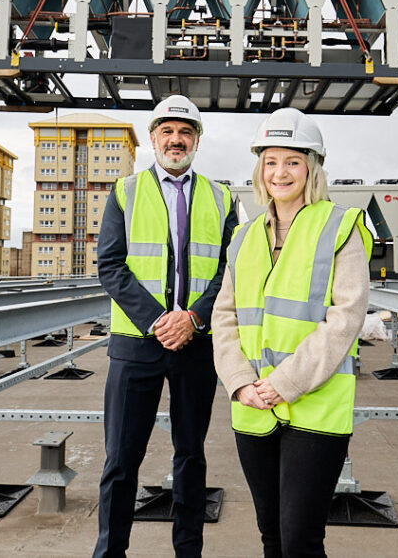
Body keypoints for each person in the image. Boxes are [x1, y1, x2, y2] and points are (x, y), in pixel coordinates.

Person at [212, 107, 372, 558]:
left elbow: (346, 318)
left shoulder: (340, 227)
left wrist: (284, 384)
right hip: (253, 408)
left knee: (301, 539)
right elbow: (225, 317)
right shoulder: (242, 237)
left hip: (314, 408)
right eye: (270, 161)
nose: (280, 172)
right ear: (260, 169)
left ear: (312, 167)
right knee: (271, 536)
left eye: (292, 161)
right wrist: (240, 383)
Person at [94, 95, 237, 558]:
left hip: (197, 346)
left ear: (197, 140)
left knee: (191, 457)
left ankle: (188, 552)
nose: (176, 140)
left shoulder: (222, 197)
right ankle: (110, 552)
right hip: (137, 345)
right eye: (168, 132)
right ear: (153, 139)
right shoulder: (125, 191)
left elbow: (230, 271)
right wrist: (160, 321)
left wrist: (193, 318)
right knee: (120, 461)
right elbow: (111, 265)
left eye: (186, 132)